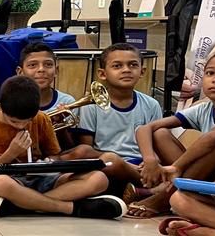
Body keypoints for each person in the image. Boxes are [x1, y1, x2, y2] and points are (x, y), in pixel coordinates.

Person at [0, 75, 126, 219]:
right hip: (10, 182)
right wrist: (10, 153)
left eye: (27, 120)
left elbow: (55, 155)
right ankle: (68, 208)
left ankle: (22, 205)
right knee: (1, 183)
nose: (22, 126)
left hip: (42, 178)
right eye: (14, 121)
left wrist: (49, 162)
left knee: (99, 179)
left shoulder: (41, 118)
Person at [126, 46, 215, 218]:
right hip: (202, 178)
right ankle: (171, 190)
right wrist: (150, 160)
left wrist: (177, 166)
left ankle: (162, 197)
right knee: (159, 133)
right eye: (210, 73)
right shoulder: (204, 109)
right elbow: (145, 129)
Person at [62, 43, 163, 186]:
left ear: (142, 71)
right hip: (106, 162)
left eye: (133, 65)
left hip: (140, 164)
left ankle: (143, 187)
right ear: (102, 74)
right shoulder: (91, 106)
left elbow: (156, 147)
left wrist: (150, 163)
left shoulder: (151, 104)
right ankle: (145, 190)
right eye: (117, 66)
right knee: (101, 158)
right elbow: (87, 149)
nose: (126, 70)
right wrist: (118, 161)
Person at [16, 43, 77, 148]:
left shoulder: (68, 101)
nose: (41, 69)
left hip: (58, 158)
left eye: (48, 65)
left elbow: (70, 147)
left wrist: (61, 126)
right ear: (20, 72)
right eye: (32, 65)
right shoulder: (13, 102)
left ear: (56, 71)